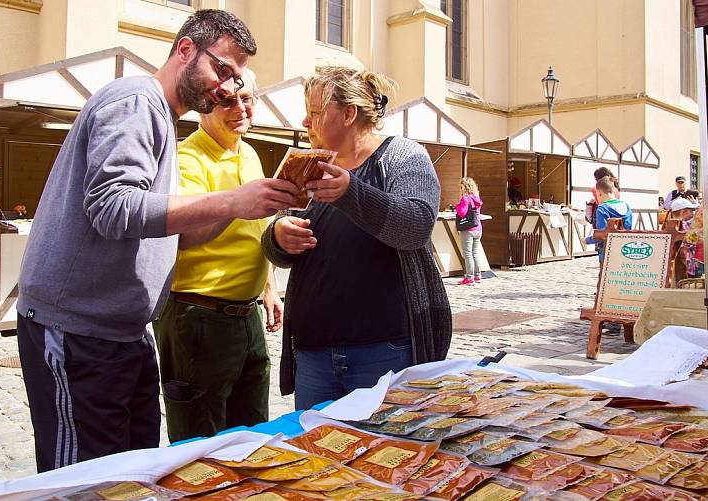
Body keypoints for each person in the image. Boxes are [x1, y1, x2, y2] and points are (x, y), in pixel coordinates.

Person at [16, 10, 299, 472]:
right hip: (77, 331)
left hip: (123, 333)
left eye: (237, 77)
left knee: (134, 475)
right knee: (86, 481)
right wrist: (230, 202)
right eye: (222, 70)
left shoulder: (163, 118)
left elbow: (173, 234)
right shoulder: (136, 100)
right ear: (185, 50)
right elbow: (112, 208)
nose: (229, 88)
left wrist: (251, 208)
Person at [261, 67, 452, 410]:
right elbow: (279, 242)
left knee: (383, 454)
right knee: (316, 455)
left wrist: (351, 192)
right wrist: (277, 236)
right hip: (314, 353)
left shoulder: (403, 156)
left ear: (348, 113)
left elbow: (417, 226)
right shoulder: (310, 164)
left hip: (384, 350)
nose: (305, 122)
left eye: (315, 112)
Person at [153, 70, 282, 441]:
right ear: (203, 105)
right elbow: (182, 236)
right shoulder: (185, 159)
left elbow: (257, 231)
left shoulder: (251, 152)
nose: (240, 109)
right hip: (199, 316)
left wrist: (268, 288)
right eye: (227, 101)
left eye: (247, 99)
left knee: (254, 436)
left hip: (246, 315)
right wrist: (236, 204)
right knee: (200, 445)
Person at [585, 176, 633, 262]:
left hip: (607, 252)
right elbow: (628, 229)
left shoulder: (602, 209)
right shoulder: (626, 206)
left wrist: (586, 240)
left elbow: (603, 235)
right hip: (624, 249)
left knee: (606, 273)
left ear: (599, 192)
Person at [455, 177, 483, 285]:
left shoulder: (465, 198)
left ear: (464, 187)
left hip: (468, 229)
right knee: (475, 252)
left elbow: (462, 213)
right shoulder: (476, 198)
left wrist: (457, 206)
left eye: (461, 187)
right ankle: (477, 276)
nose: (460, 189)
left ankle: (469, 277)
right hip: (478, 228)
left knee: (468, 254)